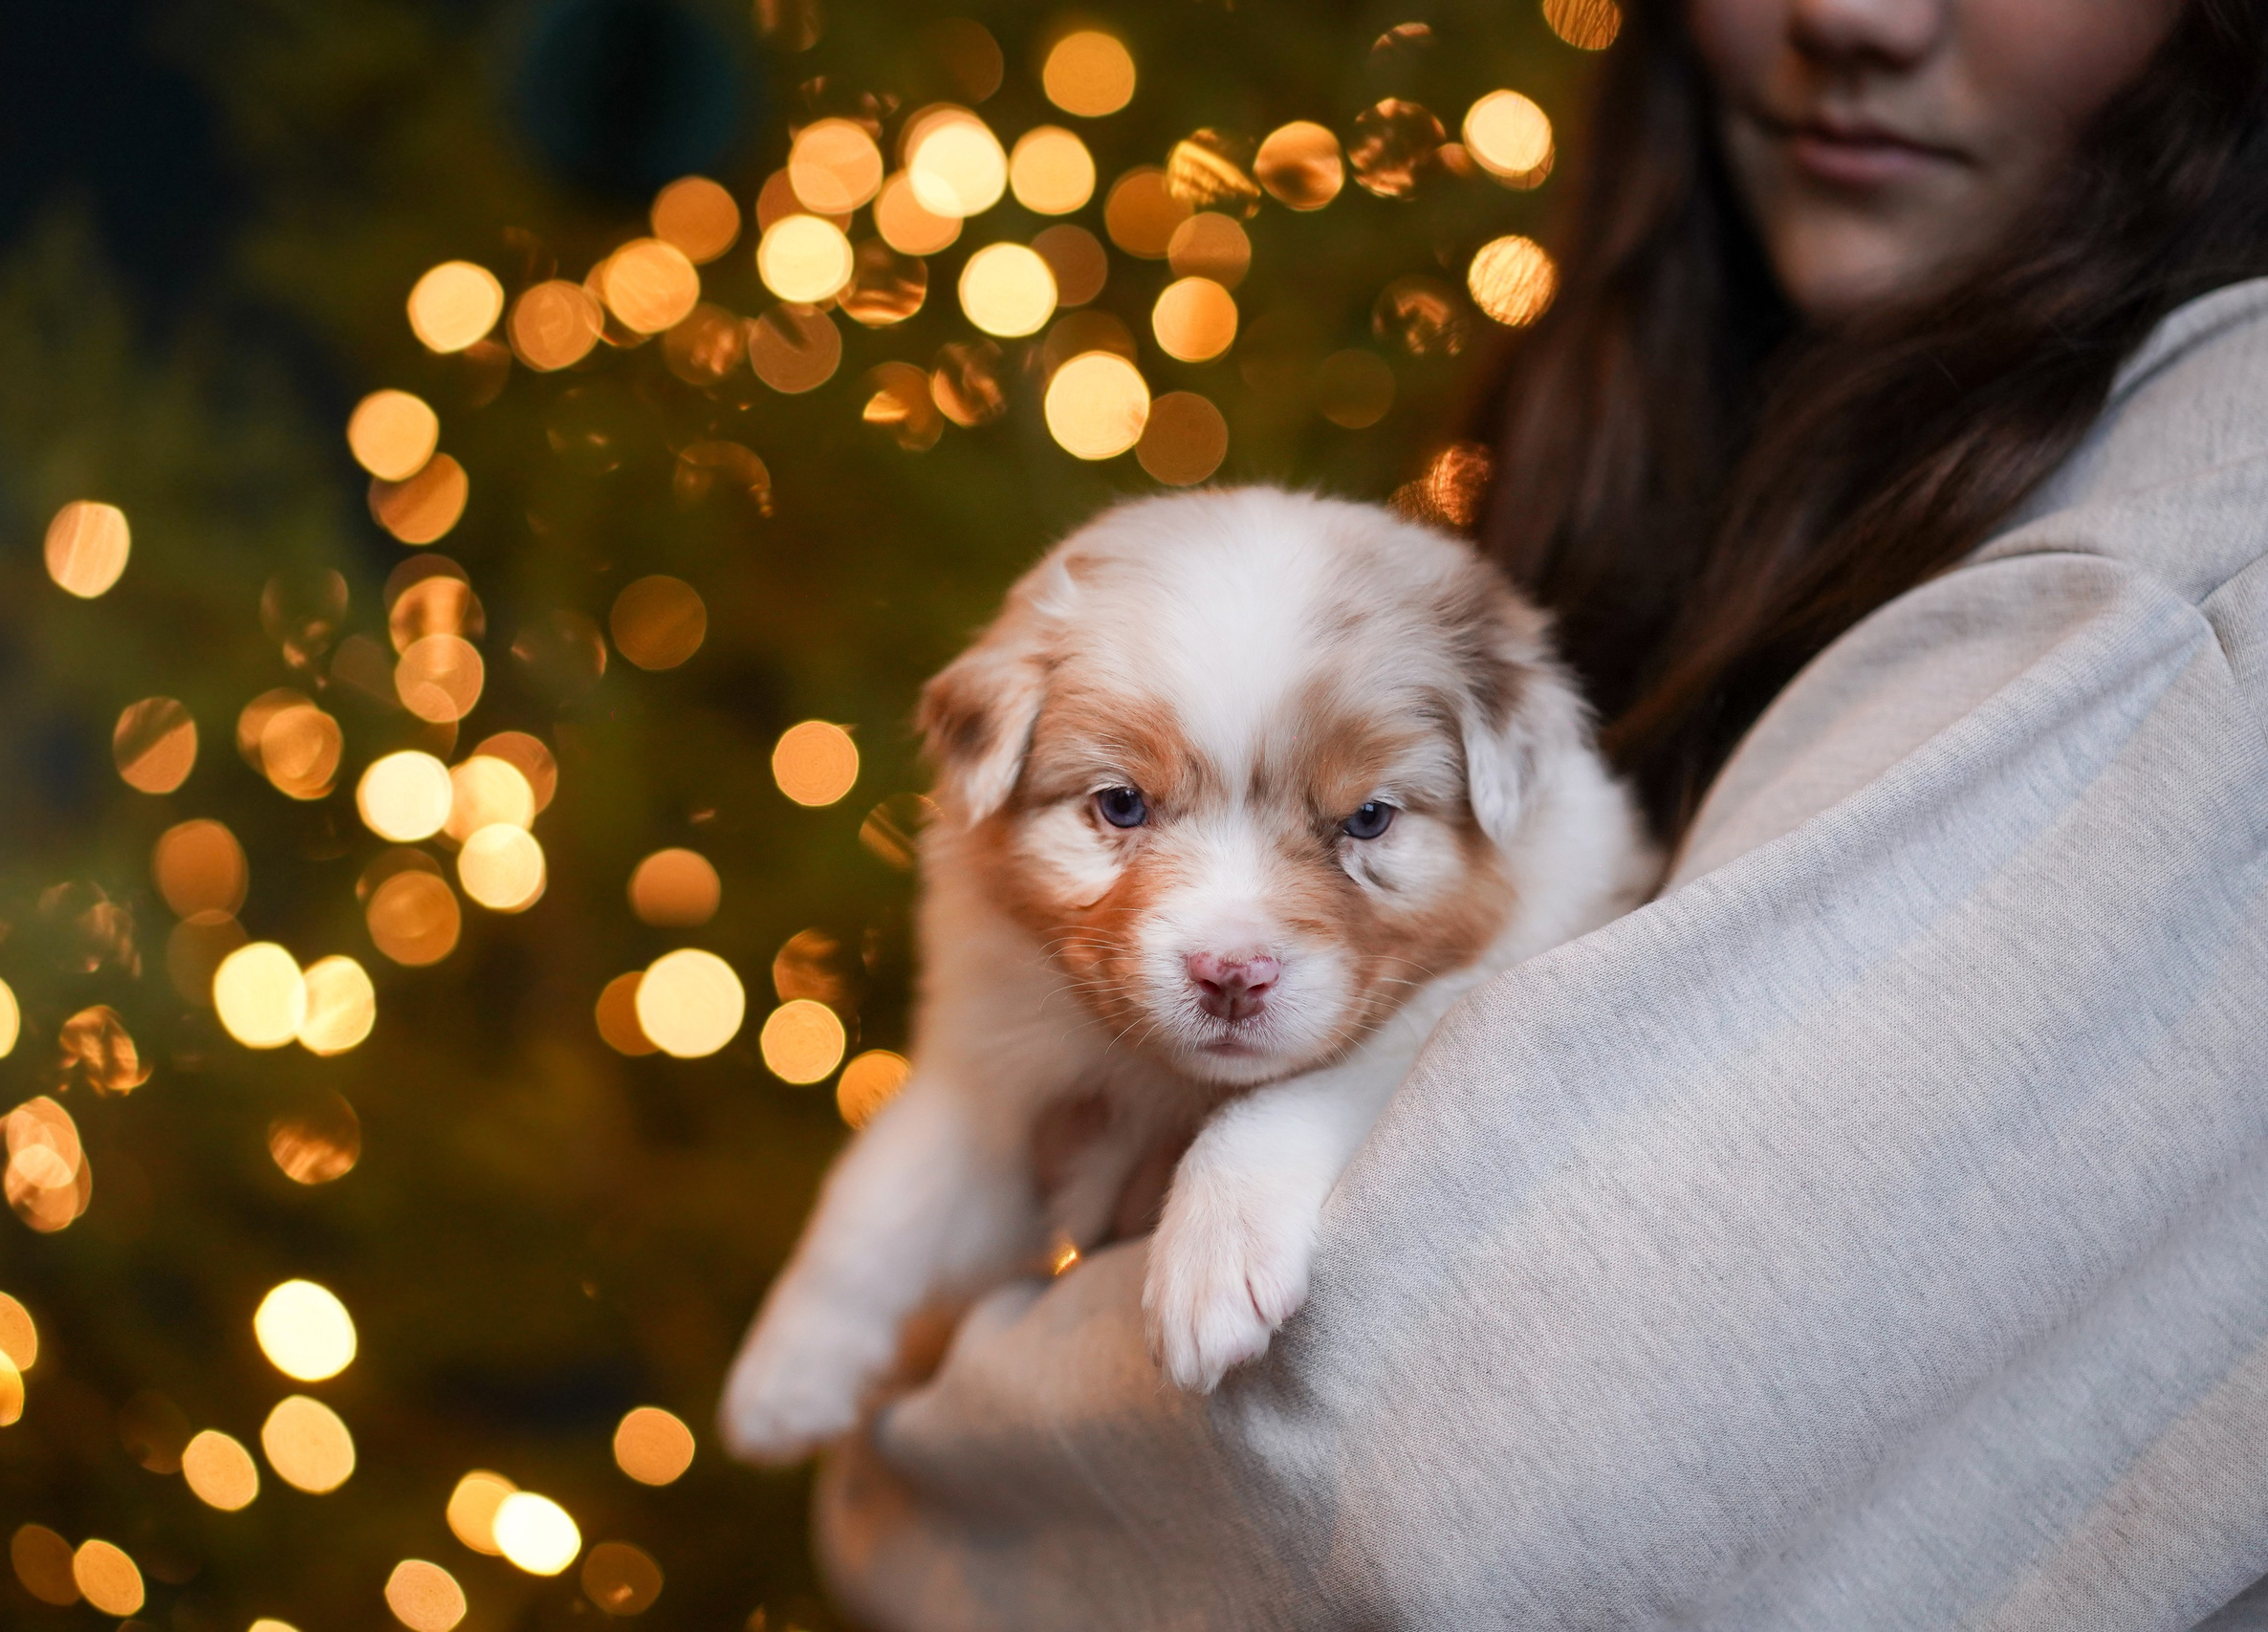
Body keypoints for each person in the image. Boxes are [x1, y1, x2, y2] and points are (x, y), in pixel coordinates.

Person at [808, 0, 2268, 1623]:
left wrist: (918, 1454)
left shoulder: (2179, 589)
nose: (1854, 14)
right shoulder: (1780, 444)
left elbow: (1453, 1489)